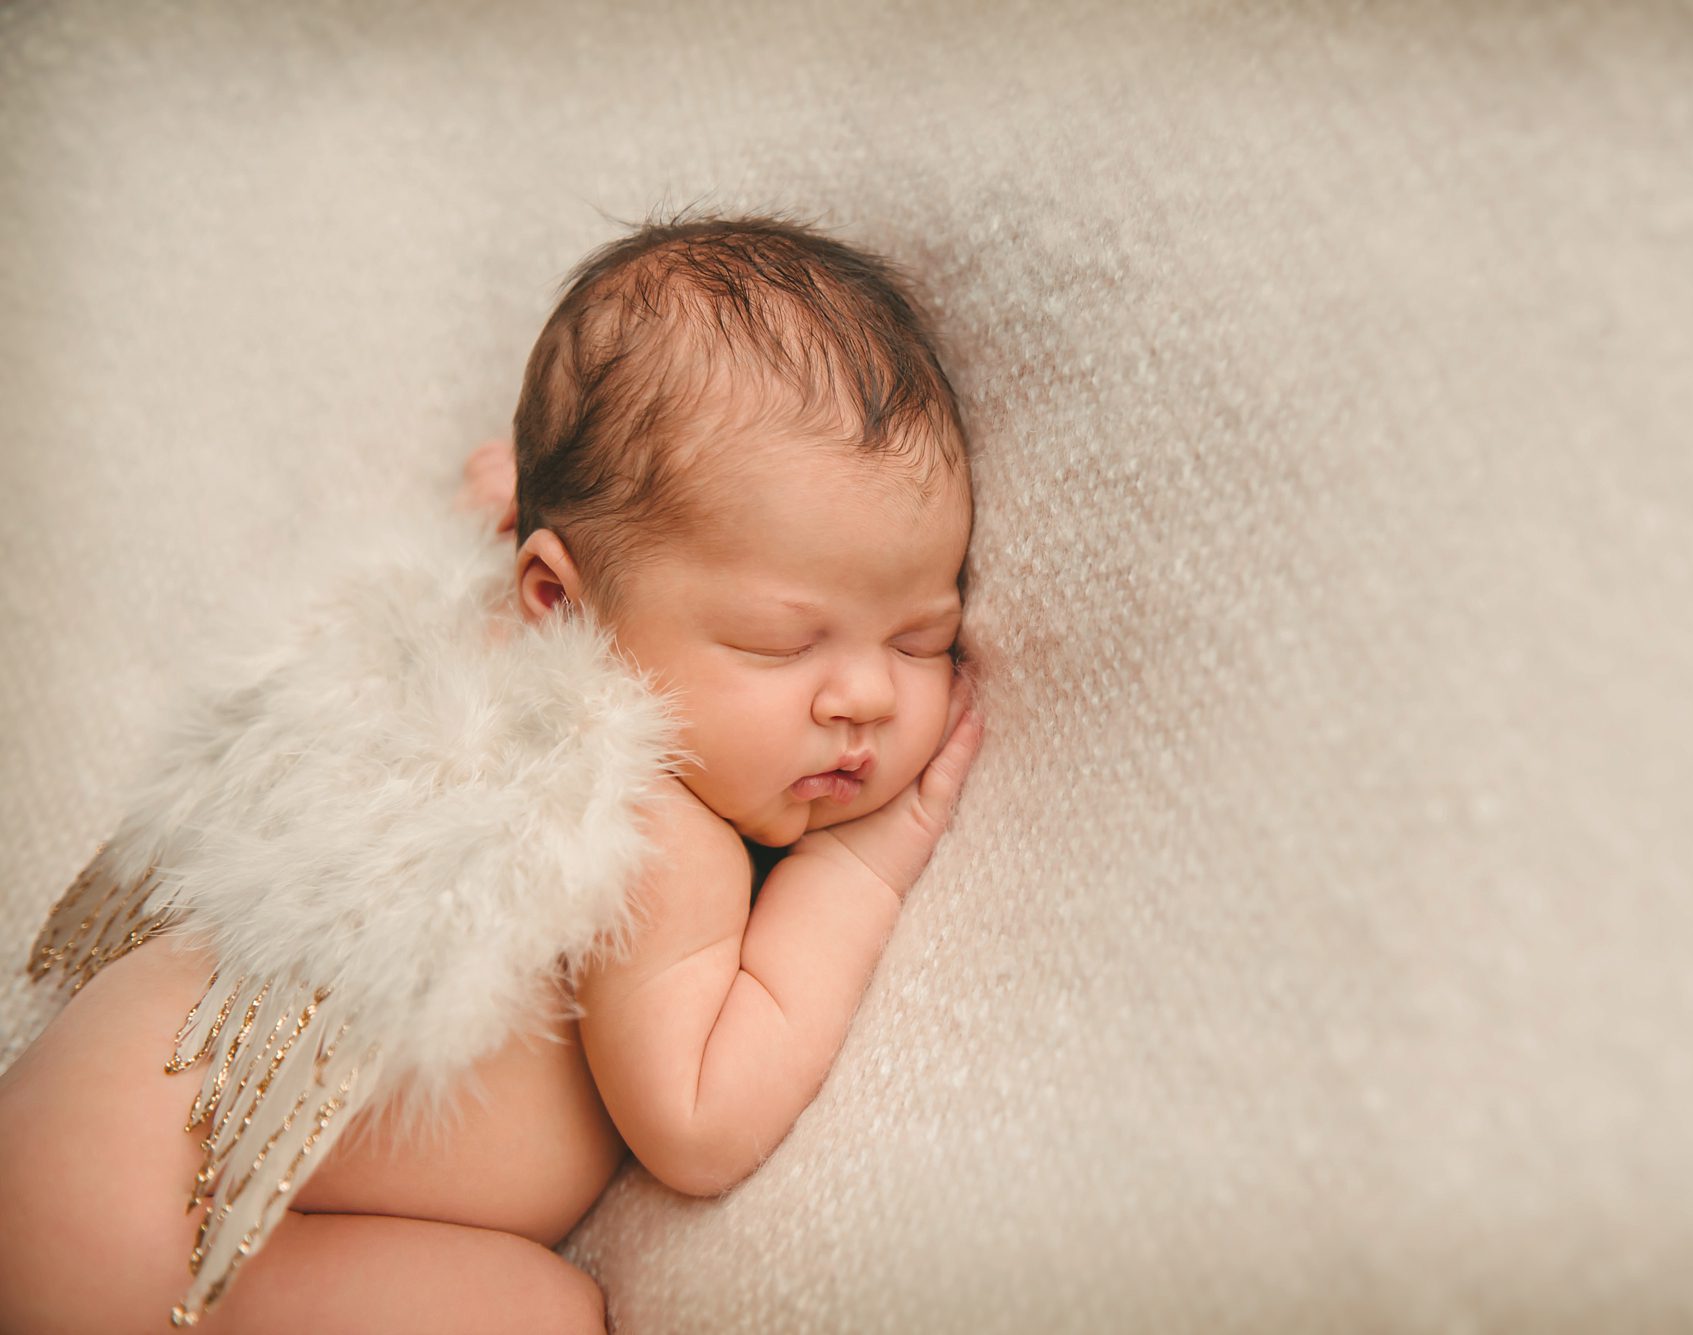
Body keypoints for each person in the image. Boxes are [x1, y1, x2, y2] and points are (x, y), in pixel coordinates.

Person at [0, 213, 986, 1334]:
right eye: (778, 643)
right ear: (558, 599)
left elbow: (509, 538)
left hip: (72, 1133)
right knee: (551, 1316)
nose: (862, 697)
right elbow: (701, 1121)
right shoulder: (658, 833)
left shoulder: (479, 631)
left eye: (919, 638)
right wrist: (857, 873)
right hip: (147, 1237)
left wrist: (515, 499)